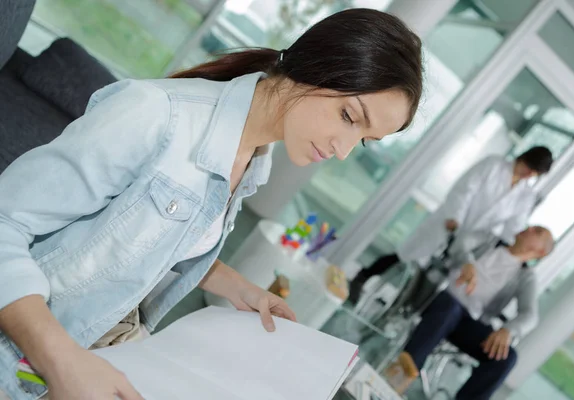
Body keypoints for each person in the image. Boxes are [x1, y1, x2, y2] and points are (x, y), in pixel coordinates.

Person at [0, 8, 423, 400]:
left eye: (365, 140)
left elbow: (152, 233)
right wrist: (62, 361)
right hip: (27, 357)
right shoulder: (155, 114)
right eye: (350, 117)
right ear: (314, 65)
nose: (345, 150)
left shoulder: (255, 157)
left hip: (109, 349)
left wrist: (236, 286)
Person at [348, 147, 553, 303]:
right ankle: (362, 277)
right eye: (529, 167)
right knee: (407, 255)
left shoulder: (525, 196)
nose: (528, 174)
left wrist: (517, 251)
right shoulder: (493, 165)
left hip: (471, 241)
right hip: (449, 223)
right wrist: (456, 218)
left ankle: (395, 306)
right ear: (523, 158)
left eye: (534, 174)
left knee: (428, 276)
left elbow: (514, 227)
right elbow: (464, 189)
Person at [386, 226, 555, 400]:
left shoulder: (525, 277)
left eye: (537, 232)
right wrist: (467, 262)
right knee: (450, 307)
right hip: (438, 298)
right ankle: (400, 374)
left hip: (467, 321)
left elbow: (530, 315)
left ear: (540, 251)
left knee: (506, 359)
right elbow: (461, 242)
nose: (530, 228)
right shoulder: (489, 240)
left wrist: (508, 330)